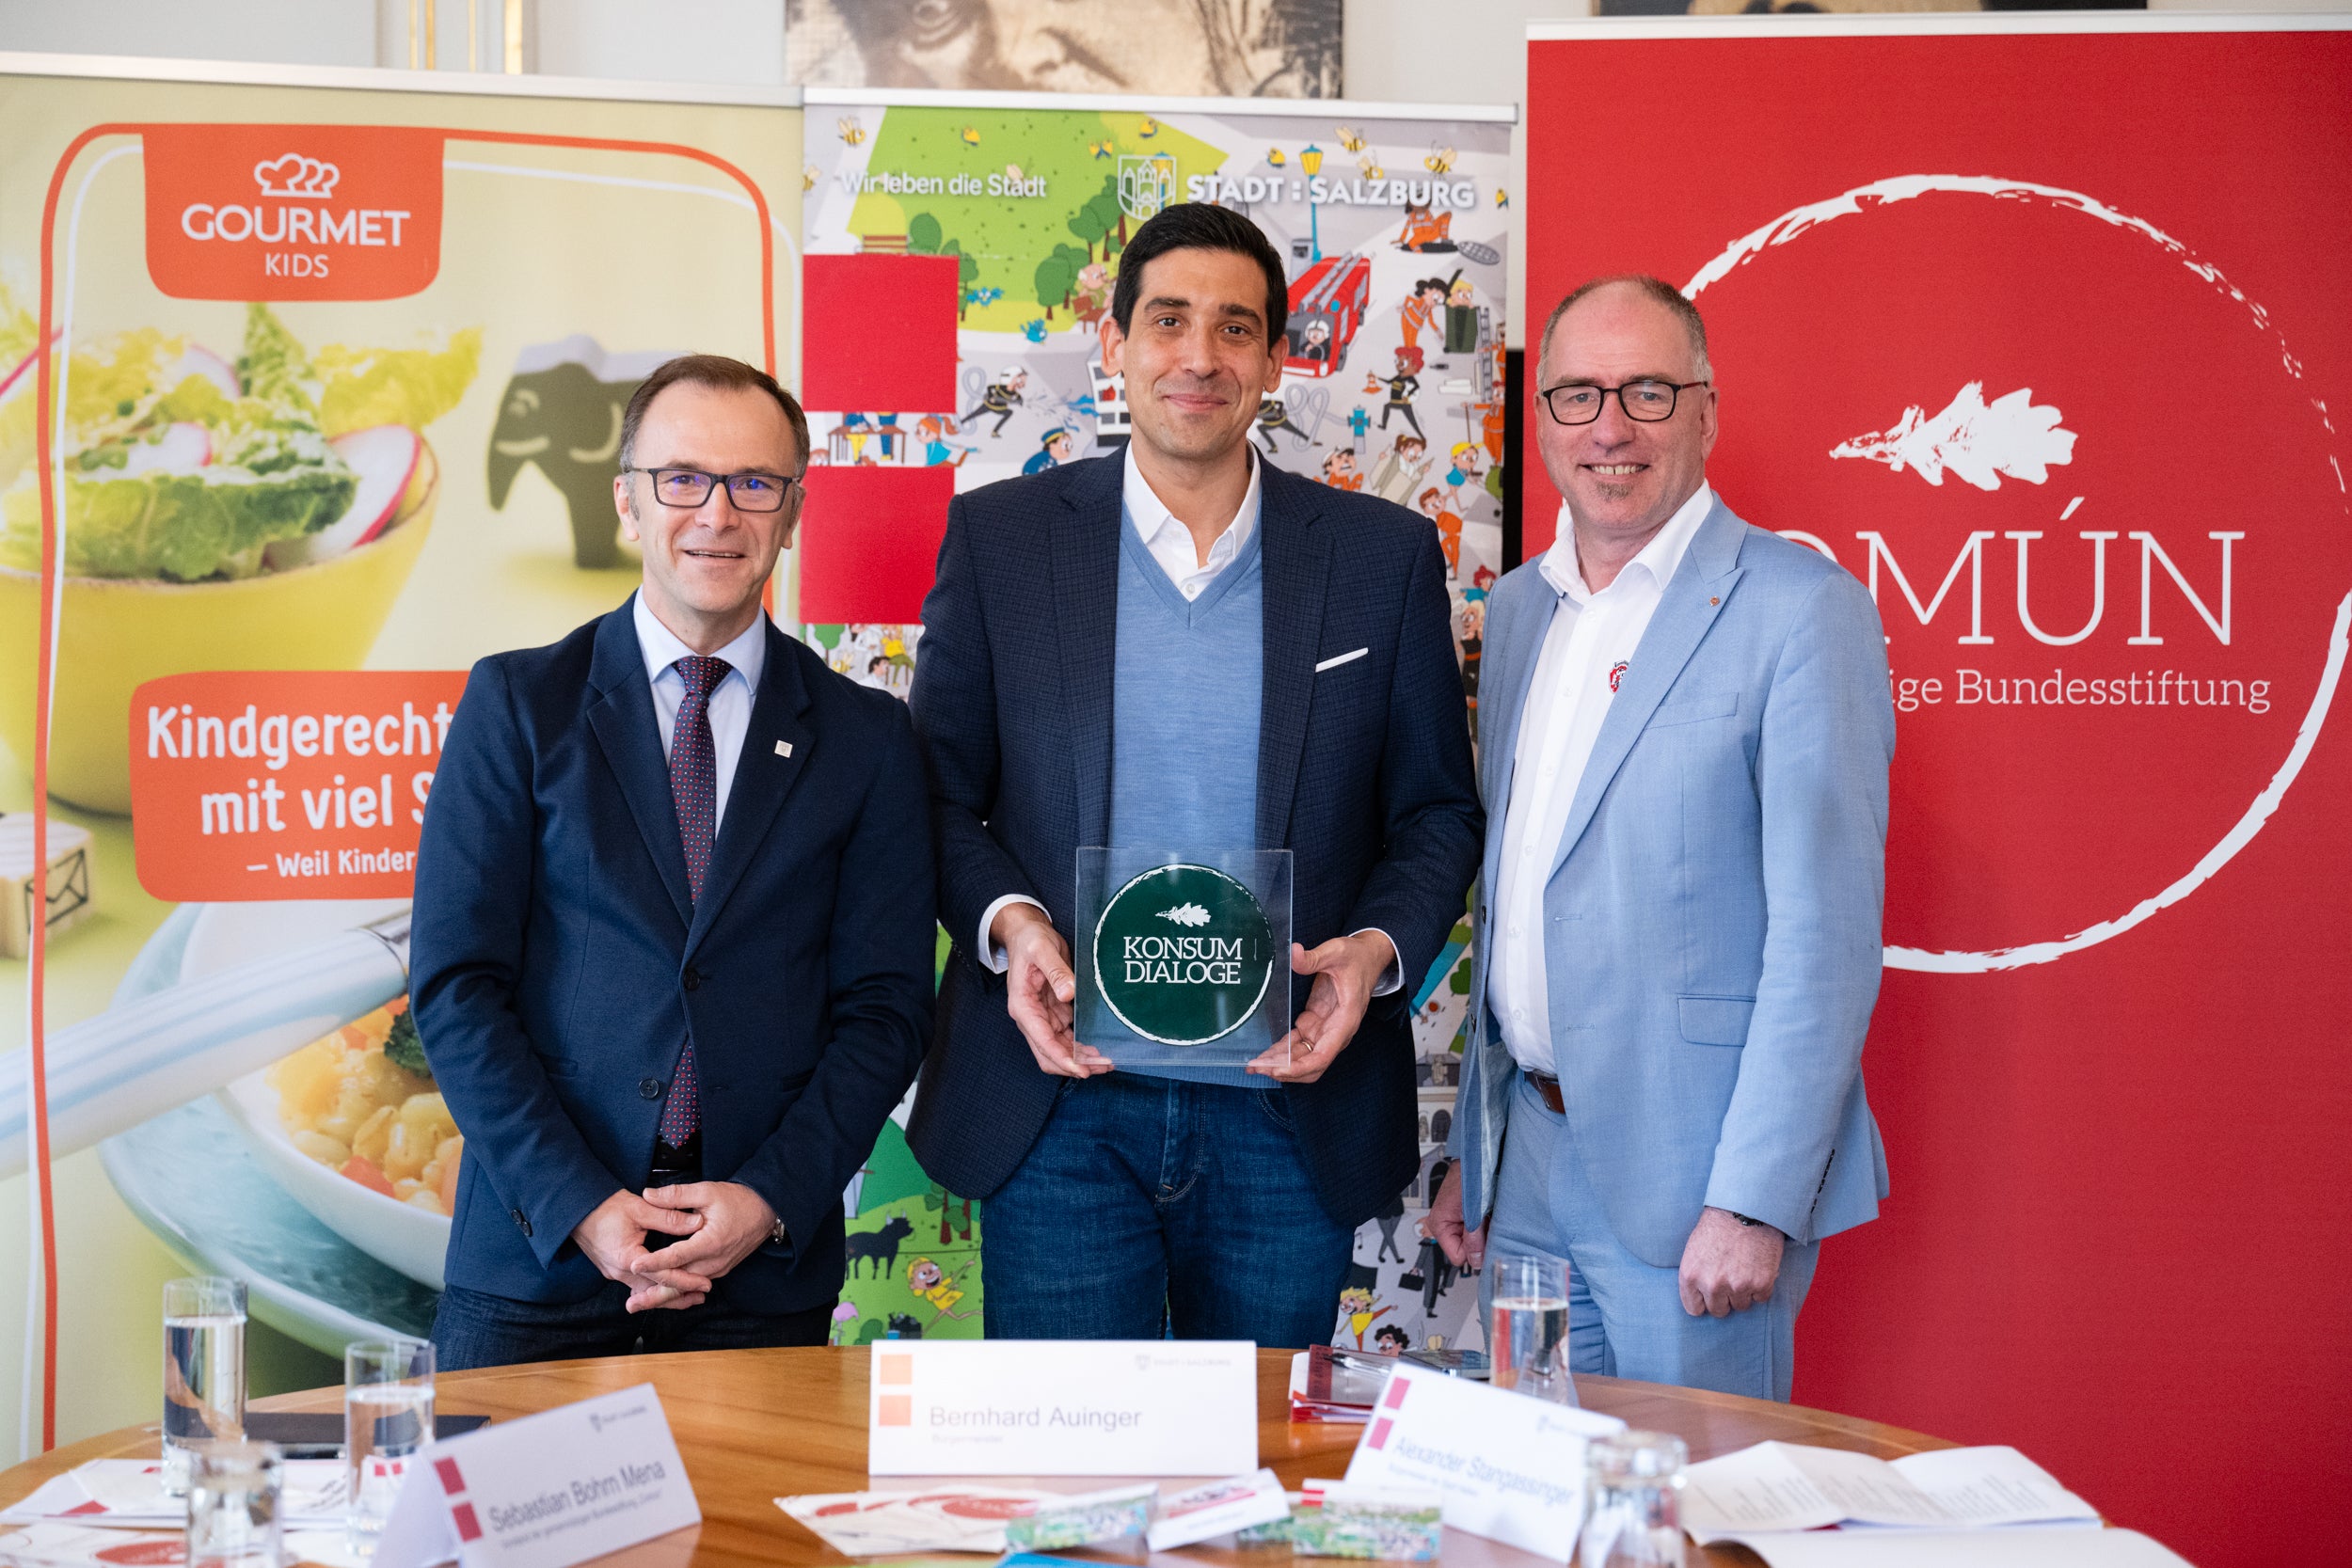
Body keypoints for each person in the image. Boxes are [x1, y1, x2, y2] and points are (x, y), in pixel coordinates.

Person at [908, 201, 1481, 1344]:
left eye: (1235, 327)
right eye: (1167, 321)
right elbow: (933, 792)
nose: (1200, 356)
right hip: (1058, 1104)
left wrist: (1373, 951)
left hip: (1287, 1105)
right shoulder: (1002, 541)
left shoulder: (1380, 557)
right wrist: (1013, 924)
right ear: (1114, 345)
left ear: (1275, 359)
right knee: (1070, 1448)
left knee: (1262, 1451)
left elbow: (1435, 813)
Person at [411, 355, 936, 1369]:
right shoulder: (518, 705)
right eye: (682, 478)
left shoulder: (867, 738)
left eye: (756, 483)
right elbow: (455, 984)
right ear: (627, 501)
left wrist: (770, 1197)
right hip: (539, 1265)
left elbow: (887, 1009)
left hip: (757, 1277)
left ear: (793, 511)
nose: (717, 514)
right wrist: (581, 1205)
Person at [1426, 276, 1895, 1401]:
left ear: (1705, 412)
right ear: (1541, 418)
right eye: (1578, 395)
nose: (1610, 427)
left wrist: (1754, 1198)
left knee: (1697, 1492)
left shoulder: (1800, 609)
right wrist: (1479, 1153)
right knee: (1536, 1482)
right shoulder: (1521, 609)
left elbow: (1825, 942)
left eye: (1646, 391)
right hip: (1527, 1170)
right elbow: (1519, 895)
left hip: (1695, 1192)